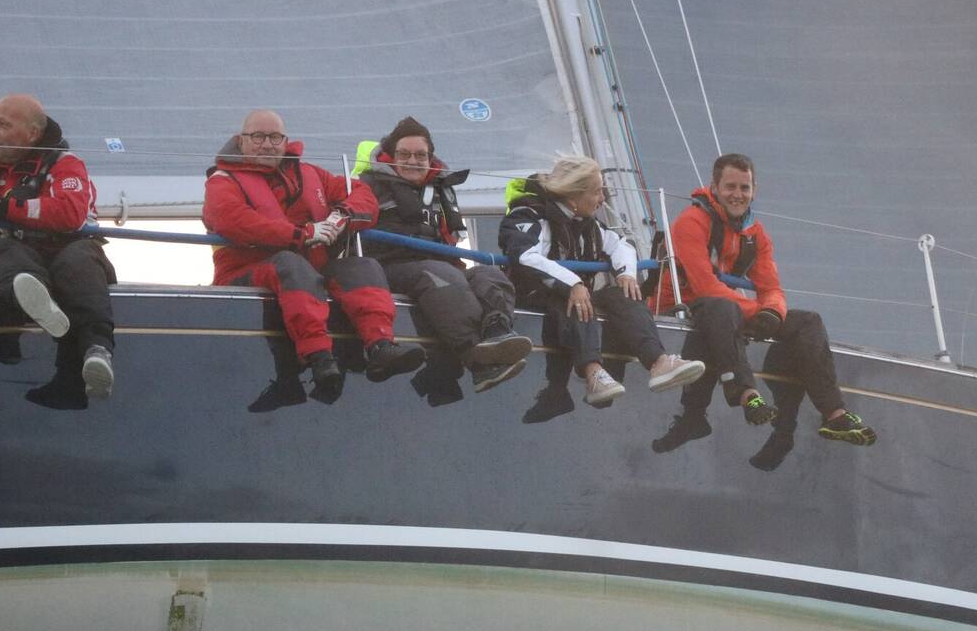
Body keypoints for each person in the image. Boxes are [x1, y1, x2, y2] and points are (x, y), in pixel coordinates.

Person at [651, 152, 877, 468]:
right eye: (730, 186)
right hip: (683, 309)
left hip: (728, 313)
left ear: (754, 191)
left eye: (744, 188)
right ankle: (748, 397)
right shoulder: (691, 222)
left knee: (808, 322)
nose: (738, 194)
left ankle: (834, 414)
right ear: (714, 187)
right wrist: (755, 311)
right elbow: (705, 286)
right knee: (723, 307)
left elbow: (772, 288)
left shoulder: (755, 234)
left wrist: (771, 312)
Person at [202, 110, 424, 399]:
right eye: (258, 137)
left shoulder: (311, 174)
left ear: (285, 142)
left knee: (362, 266)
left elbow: (363, 195)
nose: (267, 144)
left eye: (275, 137)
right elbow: (233, 220)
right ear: (240, 141)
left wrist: (342, 217)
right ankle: (319, 357)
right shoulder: (222, 181)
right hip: (246, 273)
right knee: (291, 265)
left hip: (308, 271)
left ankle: (381, 346)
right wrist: (303, 234)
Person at [498, 155, 705, 407]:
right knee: (574, 300)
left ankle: (658, 361)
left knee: (623, 295)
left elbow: (621, 245)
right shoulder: (528, 216)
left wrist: (626, 274)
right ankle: (593, 372)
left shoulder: (588, 224)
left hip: (576, 298)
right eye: (597, 192)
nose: (603, 198)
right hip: (533, 300)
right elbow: (525, 256)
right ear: (573, 196)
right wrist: (573, 284)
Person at [357, 116, 531, 393]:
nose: (413, 161)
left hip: (442, 263)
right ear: (391, 156)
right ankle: (477, 361)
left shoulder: (440, 189)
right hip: (390, 266)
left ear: (430, 158)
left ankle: (497, 332)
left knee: (489, 274)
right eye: (404, 154)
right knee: (441, 276)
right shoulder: (368, 186)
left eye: (420, 155)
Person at [0, 93, 116, 401]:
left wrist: (5, 209)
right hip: (17, 257)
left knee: (77, 261)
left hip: (70, 250)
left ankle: (97, 351)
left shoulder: (66, 164)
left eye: (4, 125)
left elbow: (70, 213)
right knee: (2, 247)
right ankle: (36, 306)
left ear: (32, 134)